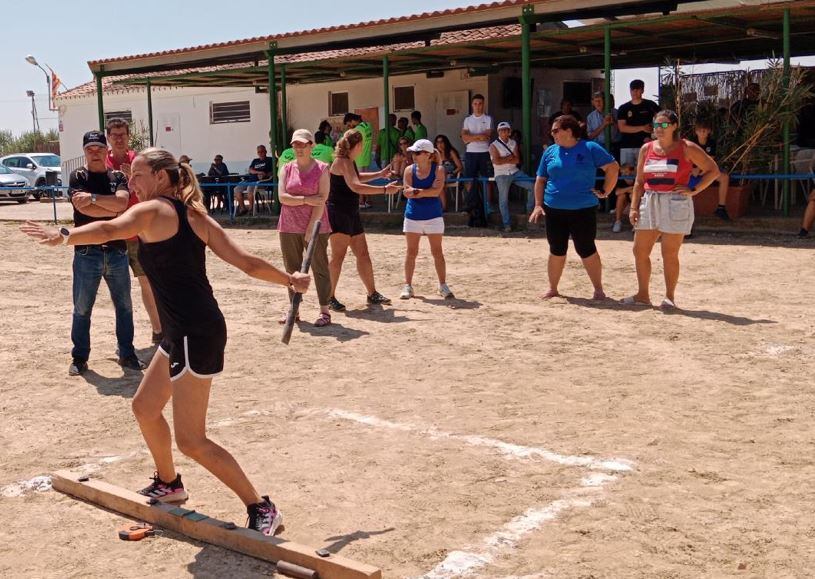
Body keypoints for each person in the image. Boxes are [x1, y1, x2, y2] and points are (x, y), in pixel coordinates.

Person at [22, 147, 311, 537]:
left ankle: (261, 507)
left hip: (195, 331)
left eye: (137, 174)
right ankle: (170, 483)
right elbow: (246, 262)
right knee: (144, 407)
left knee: (191, 439)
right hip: (181, 330)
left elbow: (110, 229)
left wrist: (64, 235)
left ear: (161, 177)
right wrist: (289, 280)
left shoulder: (155, 210)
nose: (130, 182)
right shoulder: (195, 216)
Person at [63, 130, 143, 376]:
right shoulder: (78, 175)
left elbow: (121, 205)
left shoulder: (117, 175)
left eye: (99, 148)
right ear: (84, 151)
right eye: (90, 149)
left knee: (125, 307)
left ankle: (127, 354)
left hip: (117, 251)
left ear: (105, 149)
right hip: (87, 252)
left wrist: (94, 199)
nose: (95, 153)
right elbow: (90, 209)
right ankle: (79, 358)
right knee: (82, 307)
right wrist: (107, 206)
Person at [625, 110, 720, 309]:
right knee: (639, 250)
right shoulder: (646, 148)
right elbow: (639, 181)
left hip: (675, 202)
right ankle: (643, 294)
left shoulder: (687, 147)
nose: (659, 129)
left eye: (664, 125)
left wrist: (694, 190)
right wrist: (633, 207)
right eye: (656, 125)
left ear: (674, 126)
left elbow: (713, 170)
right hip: (650, 201)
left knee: (669, 253)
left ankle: (670, 297)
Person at [528, 115, 620, 300]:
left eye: (555, 130)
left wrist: (606, 191)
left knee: (586, 248)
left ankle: (598, 289)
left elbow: (613, 167)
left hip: (583, 209)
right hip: (554, 209)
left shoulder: (589, 147)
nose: (552, 134)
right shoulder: (550, 152)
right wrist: (538, 205)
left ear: (569, 131)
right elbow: (540, 180)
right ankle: (553, 288)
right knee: (556, 248)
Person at [326, 129, 401, 311]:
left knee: (363, 254)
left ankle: (372, 293)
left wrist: (379, 175)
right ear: (358, 145)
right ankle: (328, 296)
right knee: (338, 258)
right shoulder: (342, 161)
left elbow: (356, 178)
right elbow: (356, 186)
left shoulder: (348, 161)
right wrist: (384, 190)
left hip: (350, 214)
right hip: (339, 214)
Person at [105, 118, 163, 346]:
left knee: (147, 283)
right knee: (120, 292)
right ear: (108, 137)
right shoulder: (104, 163)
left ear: (129, 137)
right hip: (114, 234)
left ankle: (158, 330)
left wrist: (133, 178)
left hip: (140, 233)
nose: (119, 139)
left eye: (123, 134)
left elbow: (152, 195)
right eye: (115, 135)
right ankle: (125, 344)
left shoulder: (139, 162)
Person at [277, 130, 333, 327]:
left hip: (317, 225)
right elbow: (282, 197)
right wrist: (307, 199)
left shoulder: (322, 169)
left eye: (303, 145)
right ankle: (295, 308)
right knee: (292, 270)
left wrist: (311, 226)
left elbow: (323, 198)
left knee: (319, 267)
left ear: (312, 146)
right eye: (295, 145)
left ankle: (325, 310)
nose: (299, 148)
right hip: (289, 226)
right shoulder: (286, 168)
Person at [398, 139, 454, 300]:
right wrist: (423, 191)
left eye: (417, 152)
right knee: (411, 252)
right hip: (413, 215)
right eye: (413, 152)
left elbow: (436, 192)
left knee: (437, 252)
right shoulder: (409, 170)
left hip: (433, 216)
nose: (413, 155)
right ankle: (408, 285)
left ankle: (442, 285)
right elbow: (407, 192)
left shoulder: (439, 170)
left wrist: (417, 191)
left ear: (428, 155)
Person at [489, 122, 535, 232]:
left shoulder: (513, 142)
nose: (504, 132)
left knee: (532, 186)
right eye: (501, 130)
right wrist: (509, 158)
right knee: (503, 200)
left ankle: (529, 209)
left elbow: (517, 160)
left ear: (509, 131)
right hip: (501, 174)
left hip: (514, 171)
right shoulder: (493, 145)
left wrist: (504, 159)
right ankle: (507, 224)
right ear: (498, 132)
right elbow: (496, 161)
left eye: (506, 130)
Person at [688, 118, 731, 221]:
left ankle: (721, 207)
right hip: (691, 171)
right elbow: (687, 158)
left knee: (724, 177)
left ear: (709, 131)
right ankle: (688, 219)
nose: (702, 132)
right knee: (686, 187)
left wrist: (701, 168)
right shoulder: (690, 143)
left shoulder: (711, 142)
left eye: (705, 130)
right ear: (696, 131)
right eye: (700, 130)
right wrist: (693, 169)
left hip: (706, 169)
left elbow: (711, 158)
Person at [461, 94, 493, 227]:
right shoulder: (467, 120)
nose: (478, 106)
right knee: (469, 180)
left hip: (484, 152)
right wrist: (477, 137)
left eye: (480, 103)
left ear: (483, 104)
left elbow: (487, 136)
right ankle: (470, 205)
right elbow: (464, 138)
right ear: (472, 105)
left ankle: (488, 205)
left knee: (487, 180)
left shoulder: (488, 118)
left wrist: (471, 137)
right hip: (471, 153)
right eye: (475, 104)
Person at [617, 79, 660, 167]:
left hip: (646, 145)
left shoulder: (650, 105)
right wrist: (642, 128)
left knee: (644, 173)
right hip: (627, 145)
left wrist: (654, 135)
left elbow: (661, 120)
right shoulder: (623, 108)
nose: (635, 92)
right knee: (627, 176)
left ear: (642, 90)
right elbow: (622, 128)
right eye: (632, 89)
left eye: (637, 89)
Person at [234, 145, 273, 216]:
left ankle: (251, 209)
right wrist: (258, 172)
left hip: (261, 182)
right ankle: (243, 209)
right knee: (237, 189)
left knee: (249, 188)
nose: (260, 153)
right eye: (259, 152)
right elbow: (250, 170)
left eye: (262, 151)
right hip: (250, 180)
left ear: (266, 152)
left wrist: (265, 174)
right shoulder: (255, 160)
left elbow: (271, 172)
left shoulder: (270, 160)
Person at [611, 164, 636, 233]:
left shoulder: (636, 178)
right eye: (622, 172)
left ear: (632, 171)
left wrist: (625, 190)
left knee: (632, 195)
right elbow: (617, 192)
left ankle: (635, 223)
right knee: (621, 196)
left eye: (626, 172)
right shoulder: (620, 179)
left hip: (635, 203)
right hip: (625, 204)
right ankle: (618, 221)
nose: (624, 174)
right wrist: (630, 188)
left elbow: (637, 191)